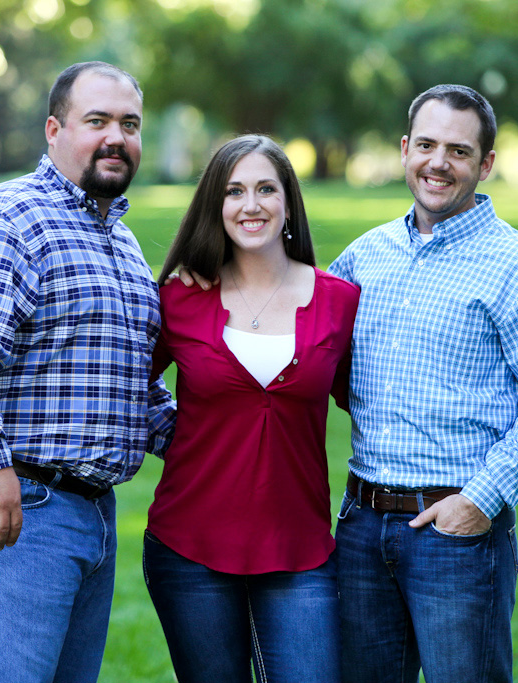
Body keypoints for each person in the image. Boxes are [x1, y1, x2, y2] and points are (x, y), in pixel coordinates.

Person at [0, 61, 175, 683]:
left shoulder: (122, 243)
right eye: (98, 121)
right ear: (54, 129)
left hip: (91, 510)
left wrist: (228, 443)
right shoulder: (9, 215)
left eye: (130, 124)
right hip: (16, 501)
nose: (117, 137)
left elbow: (136, 389)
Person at [325, 85, 518, 682]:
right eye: (426, 144)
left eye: (458, 151)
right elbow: (310, 346)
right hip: (362, 526)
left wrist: (477, 503)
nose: (438, 162)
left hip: (457, 537)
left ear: (486, 163)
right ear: (404, 149)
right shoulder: (365, 256)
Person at [144, 135, 359, 682]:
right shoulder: (179, 299)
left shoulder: (340, 302)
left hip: (301, 551)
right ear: (216, 204)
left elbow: (377, 405)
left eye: (267, 189)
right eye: (234, 191)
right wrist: (177, 438)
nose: (251, 204)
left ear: (289, 202)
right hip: (188, 547)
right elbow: (119, 387)